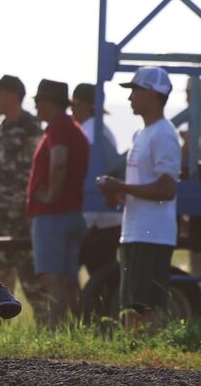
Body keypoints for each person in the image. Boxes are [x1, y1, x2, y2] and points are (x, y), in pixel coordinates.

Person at [97, 66, 181, 332]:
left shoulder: (164, 134)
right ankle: (137, 359)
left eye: (135, 90)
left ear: (152, 94)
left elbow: (168, 189)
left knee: (147, 305)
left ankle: (150, 359)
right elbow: (144, 186)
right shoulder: (142, 134)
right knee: (132, 304)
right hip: (136, 232)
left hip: (153, 234)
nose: (130, 97)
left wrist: (122, 187)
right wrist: (118, 193)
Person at [0, 74, 46, 313]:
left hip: (21, 219)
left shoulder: (30, 128)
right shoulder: (0, 129)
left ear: (12, 96)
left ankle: (49, 332)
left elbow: (39, 173)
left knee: (33, 283)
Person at [26, 80, 90, 327]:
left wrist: (51, 194)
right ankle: (72, 329)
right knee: (67, 278)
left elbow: (59, 161)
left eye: (38, 102)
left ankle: (55, 330)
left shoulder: (59, 130)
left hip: (52, 215)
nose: (36, 107)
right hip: (72, 212)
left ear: (49, 103)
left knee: (51, 278)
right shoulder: (74, 129)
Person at [72, 82, 123, 276]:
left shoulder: (90, 132)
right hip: (104, 219)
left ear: (85, 106)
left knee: (94, 274)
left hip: (95, 220)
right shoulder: (99, 130)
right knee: (101, 273)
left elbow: (92, 176)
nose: (72, 110)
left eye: (74, 104)